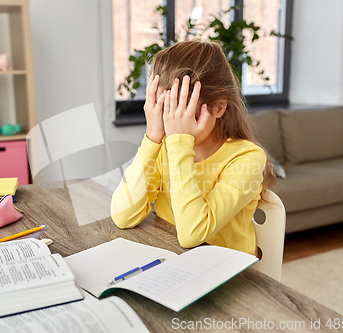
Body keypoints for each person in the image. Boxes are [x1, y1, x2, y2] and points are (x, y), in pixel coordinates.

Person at [110, 40, 276, 255]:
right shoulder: (164, 146)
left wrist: (180, 143)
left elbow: (192, 234)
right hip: (171, 256)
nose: (174, 123)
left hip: (225, 270)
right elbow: (123, 216)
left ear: (219, 108)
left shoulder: (248, 157)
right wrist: (152, 137)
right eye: (166, 109)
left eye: (187, 112)